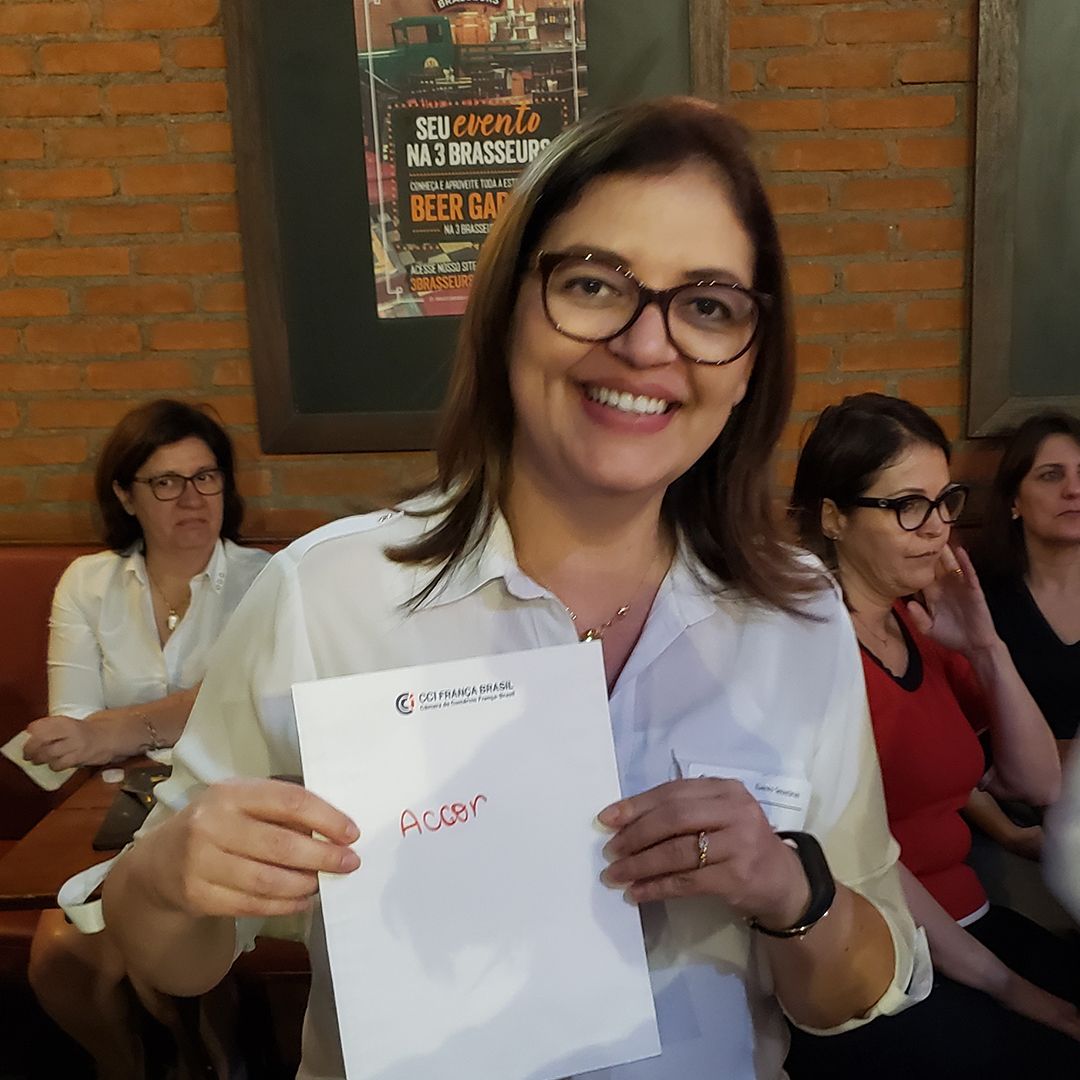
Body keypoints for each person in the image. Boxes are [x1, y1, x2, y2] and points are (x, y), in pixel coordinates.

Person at [94, 99, 927, 1080]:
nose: (647, 346)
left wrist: (791, 891)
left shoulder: (796, 613)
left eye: (708, 306)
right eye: (593, 283)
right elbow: (175, 963)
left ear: (749, 363)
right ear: (506, 314)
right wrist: (168, 878)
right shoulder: (327, 596)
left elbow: (854, 992)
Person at [787, 392, 1079, 1078]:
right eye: (907, 506)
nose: (938, 528)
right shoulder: (804, 647)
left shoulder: (921, 623)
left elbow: (1039, 782)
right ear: (833, 517)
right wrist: (1015, 991)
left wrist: (985, 647)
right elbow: (861, 860)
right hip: (878, 950)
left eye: (945, 501)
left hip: (969, 916)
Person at [26, 398, 270, 1080]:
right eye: (166, 481)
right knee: (59, 957)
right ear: (125, 495)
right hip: (114, 809)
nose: (192, 498)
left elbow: (247, 710)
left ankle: (213, 1060)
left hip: (222, 798)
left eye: (206, 476)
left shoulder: (265, 581)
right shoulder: (88, 584)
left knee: (157, 957)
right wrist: (92, 736)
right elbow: (76, 726)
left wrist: (120, 729)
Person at [976, 411, 1080, 756]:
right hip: (1009, 786)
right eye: (1051, 475)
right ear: (1014, 501)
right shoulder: (981, 602)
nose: (1074, 490)